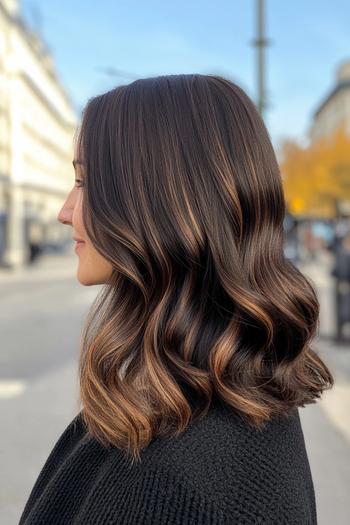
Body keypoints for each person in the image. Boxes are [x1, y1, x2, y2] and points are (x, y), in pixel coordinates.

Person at [19, 74, 334, 524]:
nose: (64, 211)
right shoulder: (227, 395)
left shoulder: (175, 482)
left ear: (160, 200)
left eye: (85, 182)